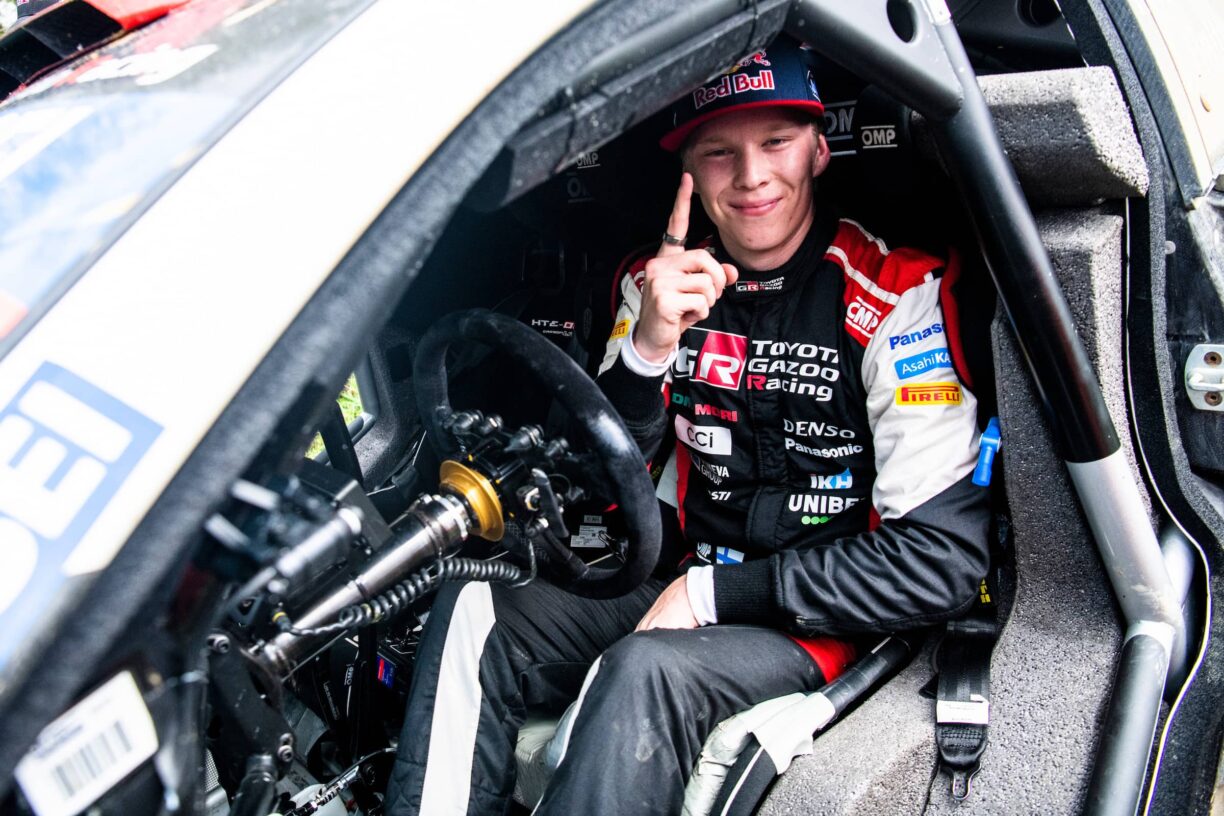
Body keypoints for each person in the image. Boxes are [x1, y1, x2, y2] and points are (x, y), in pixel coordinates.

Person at [384, 37, 989, 816]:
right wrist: (645, 353)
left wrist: (713, 594)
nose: (751, 176)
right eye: (718, 152)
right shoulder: (658, 283)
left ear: (817, 149)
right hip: (680, 574)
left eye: (776, 141)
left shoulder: (896, 294)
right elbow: (594, 487)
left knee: (643, 670)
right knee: (477, 599)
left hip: (823, 616)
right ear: (690, 171)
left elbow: (935, 564)